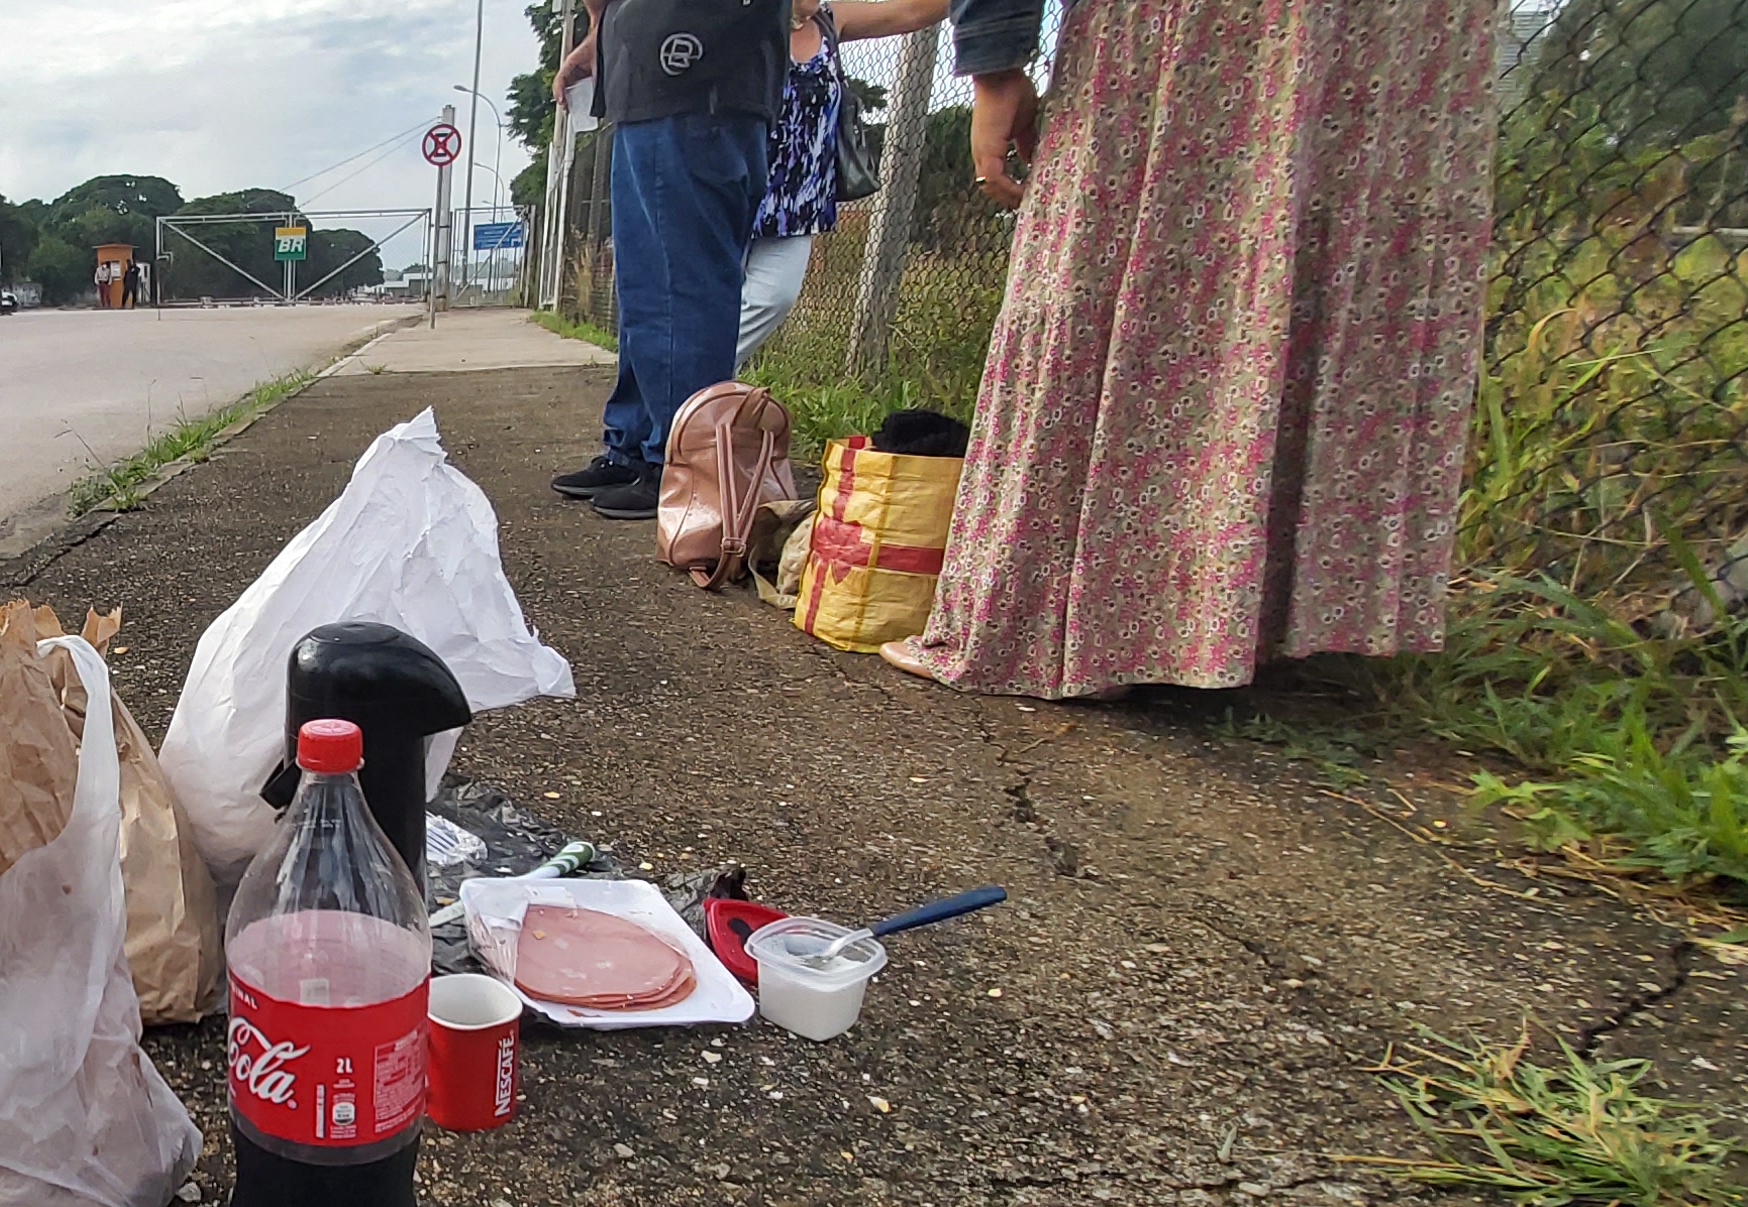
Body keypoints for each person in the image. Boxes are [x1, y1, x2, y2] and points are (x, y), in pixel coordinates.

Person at [879, 1, 1497, 698]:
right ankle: (1248, 622)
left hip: (1207, 32)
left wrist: (995, 65)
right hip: (1391, 34)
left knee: (1139, 257)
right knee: (1303, 244)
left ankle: (1080, 626)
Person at [547, 0, 792, 521]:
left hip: (693, 78)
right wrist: (602, 34)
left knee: (682, 290)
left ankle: (684, 463)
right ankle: (636, 446)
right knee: (647, 291)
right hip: (662, 82)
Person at [736, 0, 948, 368]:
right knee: (706, 302)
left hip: (795, 201)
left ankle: (695, 386)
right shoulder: (733, 16)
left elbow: (911, 11)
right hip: (729, 186)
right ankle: (693, 395)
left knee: (774, 297)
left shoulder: (830, 19)